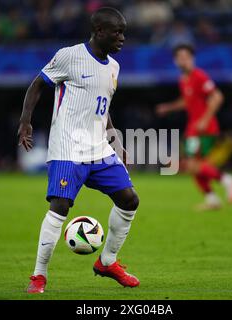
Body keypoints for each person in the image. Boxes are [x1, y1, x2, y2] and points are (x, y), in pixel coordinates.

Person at [17, 7, 140, 294]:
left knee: (129, 199)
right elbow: (37, 85)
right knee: (60, 206)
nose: (122, 38)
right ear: (99, 32)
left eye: (124, 32)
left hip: (98, 148)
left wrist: (115, 141)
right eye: (117, 32)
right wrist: (25, 121)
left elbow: (103, 108)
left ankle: (107, 262)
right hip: (68, 147)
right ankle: (38, 276)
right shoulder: (69, 56)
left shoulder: (114, 67)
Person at [156, 44, 232, 211]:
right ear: (175, 61)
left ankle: (227, 180)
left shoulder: (199, 76)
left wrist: (205, 120)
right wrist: (168, 107)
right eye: (179, 57)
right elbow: (187, 101)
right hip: (193, 128)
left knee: (191, 164)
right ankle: (212, 199)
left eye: (185, 57)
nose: (182, 60)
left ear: (192, 58)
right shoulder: (183, 80)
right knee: (195, 166)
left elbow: (217, 97)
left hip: (203, 129)